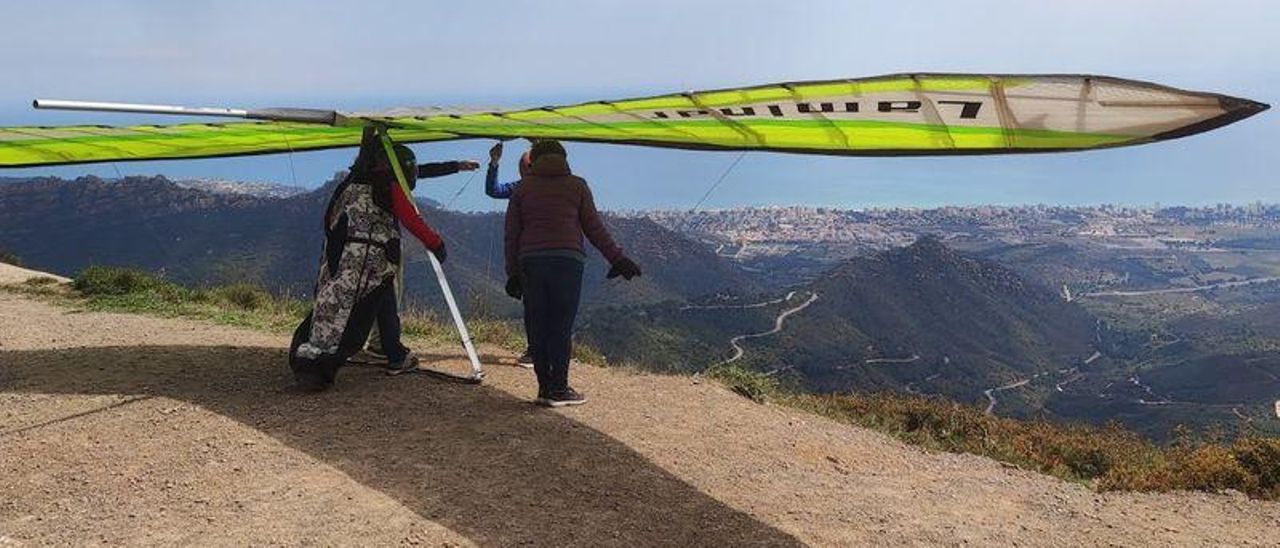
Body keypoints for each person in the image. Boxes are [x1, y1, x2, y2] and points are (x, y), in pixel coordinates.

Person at [288, 127, 474, 391]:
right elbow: (410, 216)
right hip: (370, 262)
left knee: (375, 302)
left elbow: (330, 219)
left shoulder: (351, 181)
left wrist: (456, 166)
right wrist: (436, 243)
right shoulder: (385, 183)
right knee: (355, 313)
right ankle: (321, 368)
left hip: (340, 259)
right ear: (386, 162)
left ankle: (392, 353)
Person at [504, 139, 641, 406]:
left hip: (531, 263)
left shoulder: (522, 189)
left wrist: (513, 273)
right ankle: (560, 388)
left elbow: (511, 236)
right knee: (561, 326)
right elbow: (594, 229)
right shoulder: (577, 185)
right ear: (564, 158)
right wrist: (618, 259)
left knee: (537, 325)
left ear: (533, 161)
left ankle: (544, 389)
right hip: (568, 262)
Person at [485, 141, 535, 368]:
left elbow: (493, 190)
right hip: (546, 254)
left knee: (534, 304)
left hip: (527, 254)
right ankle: (540, 349)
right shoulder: (554, 186)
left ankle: (536, 350)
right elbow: (494, 191)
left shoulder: (520, 187)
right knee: (545, 304)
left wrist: (495, 162)